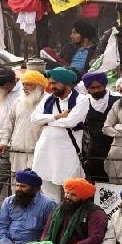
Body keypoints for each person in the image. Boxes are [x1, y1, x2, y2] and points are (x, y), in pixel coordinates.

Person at [30, 67, 90, 202]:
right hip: (45, 152)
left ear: (66, 83)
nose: (51, 86)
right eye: (50, 83)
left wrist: (46, 121)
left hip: (67, 154)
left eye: (55, 83)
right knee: (48, 193)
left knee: (70, 191)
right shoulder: (48, 99)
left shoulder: (81, 100)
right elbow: (34, 118)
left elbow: (71, 122)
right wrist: (56, 117)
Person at [41, 178, 107, 244]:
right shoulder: (58, 209)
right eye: (67, 193)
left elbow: (95, 238)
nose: (68, 197)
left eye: (73, 195)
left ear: (83, 197)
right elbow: (47, 229)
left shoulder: (95, 213)